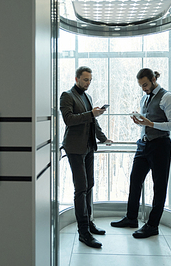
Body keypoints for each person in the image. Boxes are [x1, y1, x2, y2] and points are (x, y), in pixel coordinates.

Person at [111, 68, 171, 238]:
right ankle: (131, 217)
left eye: (146, 84)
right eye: (141, 85)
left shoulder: (167, 97)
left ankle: (152, 225)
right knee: (135, 180)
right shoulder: (144, 98)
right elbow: (147, 123)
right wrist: (140, 122)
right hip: (144, 145)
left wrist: (151, 124)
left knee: (159, 186)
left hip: (161, 145)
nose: (143, 88)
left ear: (154, 79)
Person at [60, 66, 112, 248]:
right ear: (76, 79)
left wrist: (103, 138)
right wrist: (91, 113)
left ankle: (89, 223)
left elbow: (92, 121)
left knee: (89, 185)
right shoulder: (67, 96)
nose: (88, 83)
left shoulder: (87, 97)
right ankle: (83, 232)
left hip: (89, 146)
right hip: (74, 148)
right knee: (81, 188)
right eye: (85, 80)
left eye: (90, 80)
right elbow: (69, 119)